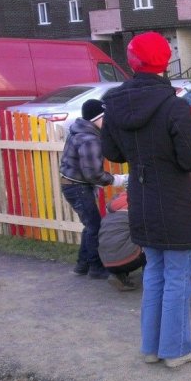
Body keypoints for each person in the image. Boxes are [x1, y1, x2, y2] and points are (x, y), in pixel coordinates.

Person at [101, 31, 191, 369]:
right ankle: (177, 349)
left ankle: (153, 347)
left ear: (132, 62)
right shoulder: (174, 106)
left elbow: (113, 152)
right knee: (177, 277)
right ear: (166, 61)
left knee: (155, 274)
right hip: (174, 201)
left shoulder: (115, 103)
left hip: (142, 200)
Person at [60, 99, 127, 279]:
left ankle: (82, 265)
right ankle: (96, 268)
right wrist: (118, 180)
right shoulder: (90, 139)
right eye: (105, 117)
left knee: (90, 225)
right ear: (97, 119)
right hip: (78, 187)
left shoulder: (80, 132)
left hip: (73, 185)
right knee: (94, 226)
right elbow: (93, 174)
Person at [98, 191, 144, 292]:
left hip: (106, 262)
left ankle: (118, 275)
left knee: (122, 242)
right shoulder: (139, 207)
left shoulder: (111, 213)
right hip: (129, 260)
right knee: (151, 244)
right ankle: (149, 278)